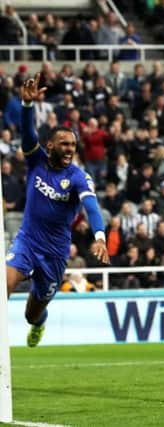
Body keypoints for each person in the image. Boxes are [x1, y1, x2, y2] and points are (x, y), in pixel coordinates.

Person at [5, 73, 109, 347]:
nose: (69, 149)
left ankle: (39, 323)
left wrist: (100, 237)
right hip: (27, 242)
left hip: (54, 255)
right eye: (64, 144)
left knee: (32, 314)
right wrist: (27, 106)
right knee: (2, 287)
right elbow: (27, 135)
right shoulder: (36, 161)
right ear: (50, 145)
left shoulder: (78, 177)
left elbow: (91, 207)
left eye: (73, 145)